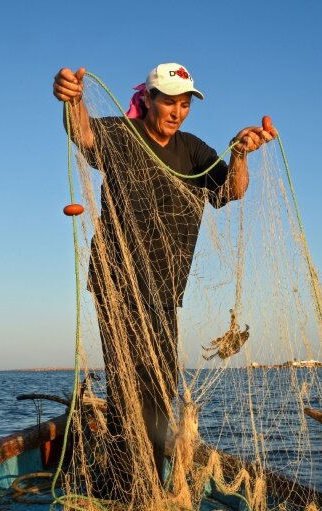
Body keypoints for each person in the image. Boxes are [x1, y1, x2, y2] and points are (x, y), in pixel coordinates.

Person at [52, 63, 275, 501]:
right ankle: (130, 489)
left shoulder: (193, 151)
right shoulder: (123, 134)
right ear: (149, 99)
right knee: (127, 387)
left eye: (185, 102)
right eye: (169, 100)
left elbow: (231, 190)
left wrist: (241, 153)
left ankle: (143, 484)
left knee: (159, 388)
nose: (177, 111)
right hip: (117, 285)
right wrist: (72, 97)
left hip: (163, 292)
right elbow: (83, 134)